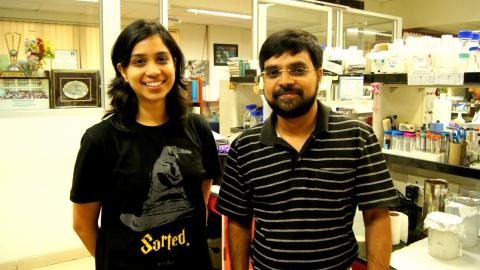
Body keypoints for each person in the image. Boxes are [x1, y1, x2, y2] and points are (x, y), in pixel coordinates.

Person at [215, 29, 399, 270]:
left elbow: (376, 216)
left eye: (298, 70)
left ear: (319, 75)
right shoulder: (245, 147)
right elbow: (238, 220)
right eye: (272, 72)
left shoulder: (358, 138)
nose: (284, 81)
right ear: (263, 80)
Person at [70, 19, 221, 270]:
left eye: (162, 59)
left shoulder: (198, 128)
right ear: (123, 70)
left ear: (174, 63)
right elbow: (82, 225)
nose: (153, 71)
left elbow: (200, 203)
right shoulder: (100, 139)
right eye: (139, 61)